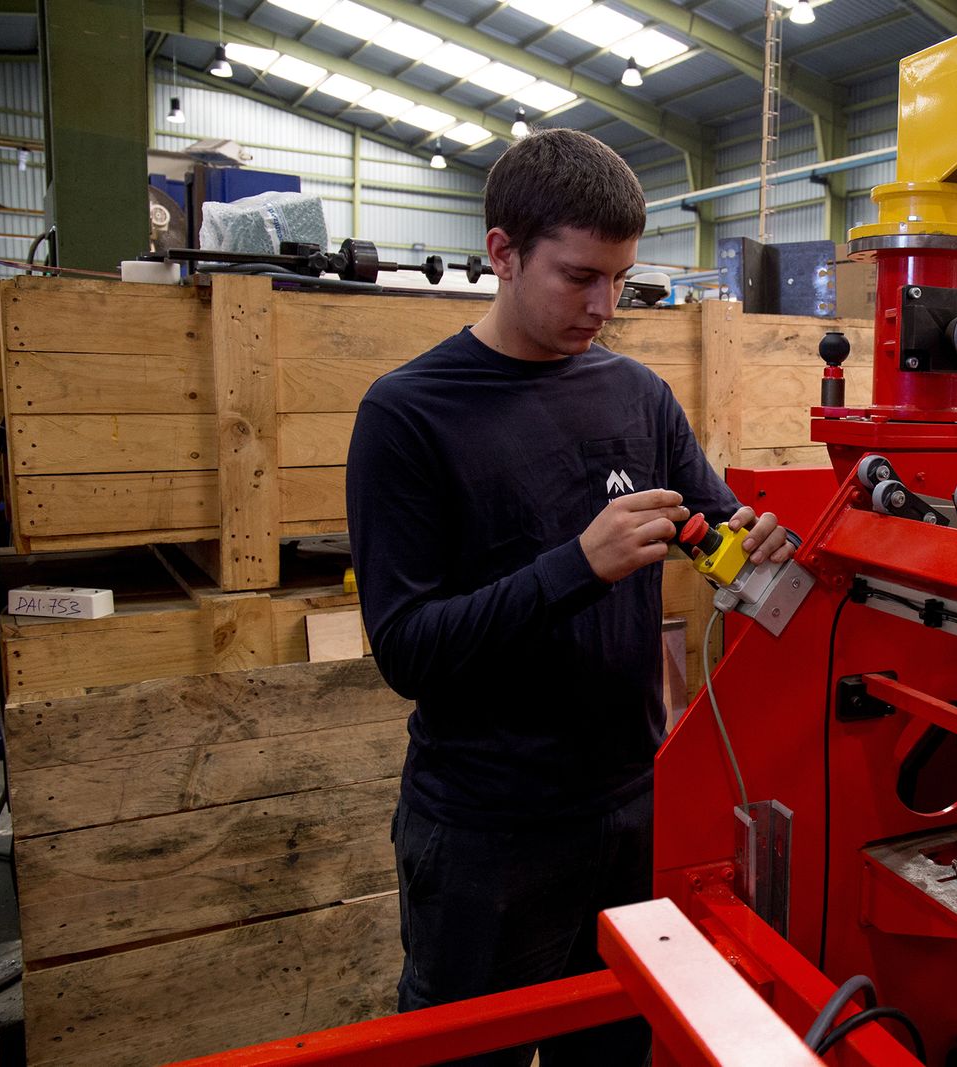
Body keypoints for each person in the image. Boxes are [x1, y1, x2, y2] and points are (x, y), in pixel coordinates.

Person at [346, 127, 793, 1067]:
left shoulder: (637, 394)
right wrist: (576, 566)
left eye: (620, 279)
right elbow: (407, 649)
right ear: (503, 252)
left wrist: (754, 543)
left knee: (617, 1049)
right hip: (486, 833)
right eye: (579, 276)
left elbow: (715, 528)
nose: (604, 306)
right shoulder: (409, 413)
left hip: (632, 809)